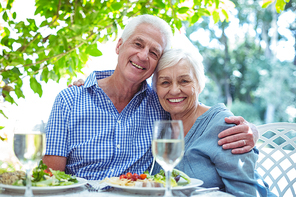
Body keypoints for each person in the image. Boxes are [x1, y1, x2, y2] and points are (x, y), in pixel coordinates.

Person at [43, 14, 258, 181]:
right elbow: (52, 180)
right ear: (119, 46)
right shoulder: (69, 100)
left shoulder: (161, 101)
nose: (143, 55)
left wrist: (253, 131)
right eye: (138, 44)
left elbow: (198, 111)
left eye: (154, 52)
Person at [151, 48, 276, 196]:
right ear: (155, 88)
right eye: (165, 82)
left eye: (184, 81)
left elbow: (247, 193)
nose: (174, 90)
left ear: (199, 84)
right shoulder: (160, 124)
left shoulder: (223, 126)